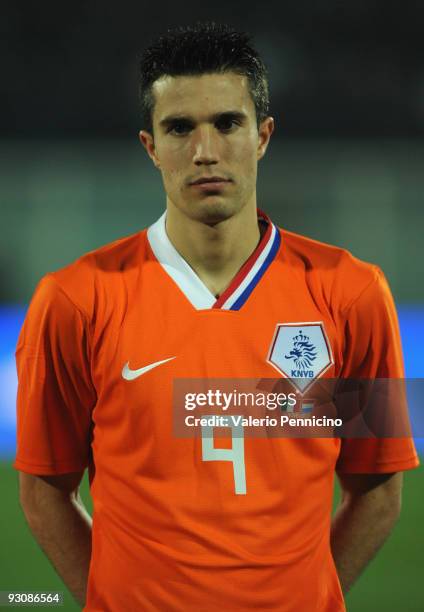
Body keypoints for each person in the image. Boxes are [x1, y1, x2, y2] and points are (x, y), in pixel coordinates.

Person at [15, 22, 419, 612]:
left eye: (228, 123)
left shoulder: (352, 294)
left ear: (263, 136)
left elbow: (379, 484)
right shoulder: (76, 301)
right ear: (150, 146)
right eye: (179, 128)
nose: (205, 151)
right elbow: (44, 487)